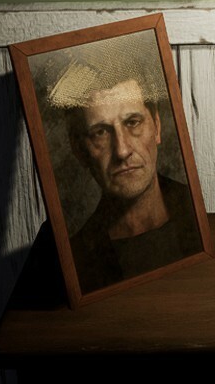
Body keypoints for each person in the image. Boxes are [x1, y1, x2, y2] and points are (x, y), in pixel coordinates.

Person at [50, 65, 202, 292]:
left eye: (133, 122)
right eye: (100, 132)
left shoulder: (202, 214)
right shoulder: (74, 262)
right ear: (79, 150)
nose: (122, 151)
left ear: (157, 126)